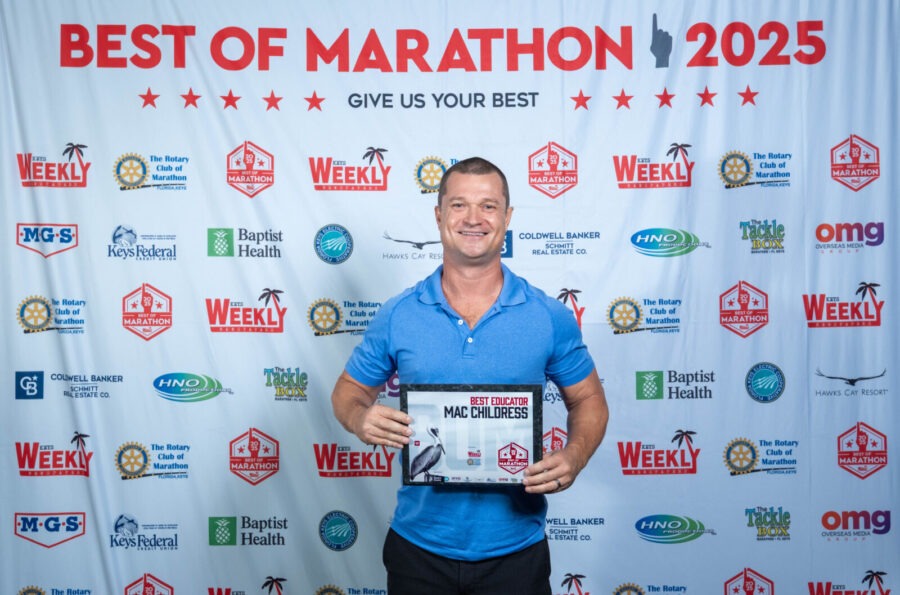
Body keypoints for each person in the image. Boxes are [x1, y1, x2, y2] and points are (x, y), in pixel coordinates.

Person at [331, 157, 609, 595]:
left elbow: (589, 399)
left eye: (489, 206)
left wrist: (575, 455)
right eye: (459, 205)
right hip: (418, 549)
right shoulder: (399, 314)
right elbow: (348, 391)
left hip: (517, 552)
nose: (474, 219)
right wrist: (359, 417)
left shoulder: (548, 316)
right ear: (439, 215)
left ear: (508, 218)